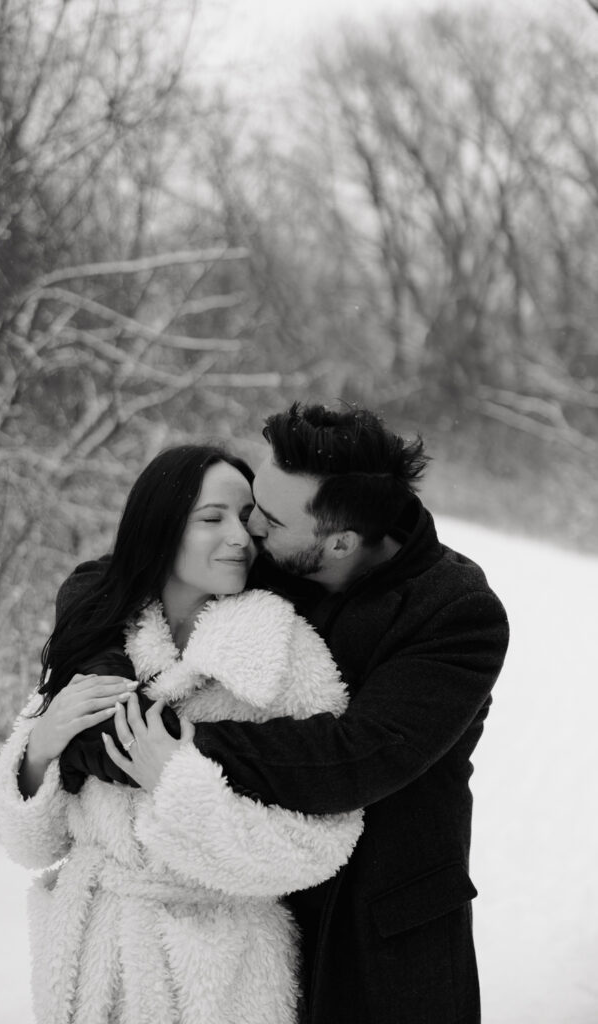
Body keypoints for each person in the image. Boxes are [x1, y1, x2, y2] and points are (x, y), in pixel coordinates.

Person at [64, 404, 510, 1024]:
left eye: (266, 518)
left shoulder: (456, 613)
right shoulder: (281, 542)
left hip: (378, 935)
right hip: (243, 911)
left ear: (339, 543)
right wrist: (99, 689)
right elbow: (110, 580)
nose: (248, 530)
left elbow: (354, 755)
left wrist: (173, 744)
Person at [0, 445, 363, 1024]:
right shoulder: (98, 637)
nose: (239, 536)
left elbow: (324, 842)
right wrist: (41, 748)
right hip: (94, 957)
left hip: (222, 972)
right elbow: (29, 845)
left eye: (247, 518)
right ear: (160, 527)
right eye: (212, 518)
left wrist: (179, 784)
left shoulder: (283, 653)